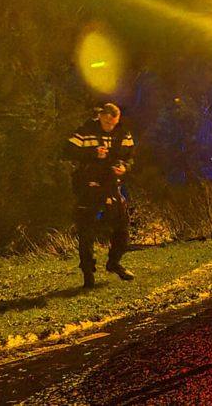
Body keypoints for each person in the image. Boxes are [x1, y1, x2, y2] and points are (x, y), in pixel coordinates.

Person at [66, 103, 135, 288]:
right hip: (88, 185)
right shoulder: (86, 131)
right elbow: (66, 151)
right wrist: (92, 153)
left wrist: (124, 168)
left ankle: (114, 263)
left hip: (112, 185)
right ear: (100, 117)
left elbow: (130, 158)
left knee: (122, 226)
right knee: (86, 231)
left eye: (113, 124)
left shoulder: (123, 133)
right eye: (106, 123)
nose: (109, 127)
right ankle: (88, 274)